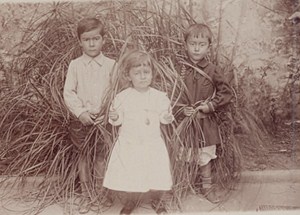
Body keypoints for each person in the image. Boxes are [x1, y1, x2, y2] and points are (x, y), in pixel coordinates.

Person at [103, 49, 174, 215]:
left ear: (152, 74)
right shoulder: (122, 97)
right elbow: (117, 120)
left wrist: (167, 116)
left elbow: (164, 117)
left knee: (155, 170)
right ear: (128, 76)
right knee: (131, 171)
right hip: (130, 143)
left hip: (151, 142)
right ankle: (131, 200)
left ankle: (157, 199)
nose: (143, 77)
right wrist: (114, 116)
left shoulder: (158, 96)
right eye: (137, 73)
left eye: (146, 72)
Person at [63, 17, 116, 213]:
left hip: (103, 120)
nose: (92, 43)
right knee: (83, 155)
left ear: (103, 39)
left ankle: (100, 192)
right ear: (80, 41)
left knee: (101, 155)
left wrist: (108, 113)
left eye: (96, 38)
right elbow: (69, 92)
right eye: (87, 39)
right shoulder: (75, 65)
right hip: (82, 121)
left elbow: (116, 92)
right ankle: (86, 194)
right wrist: (81, 112)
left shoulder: (112, 65)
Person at [176, 23, 233, 203]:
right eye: (193, 43)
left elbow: (226, 93)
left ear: (208, 47)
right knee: (184, 154)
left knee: (205, 155)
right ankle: (185, 185)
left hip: (205, 121)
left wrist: (209, 106)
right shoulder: (179, 68)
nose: (197, 48)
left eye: (202, 44)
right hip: (186, 123)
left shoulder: (212, 69)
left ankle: (207, 188)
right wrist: (180, 109)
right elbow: (172, 94)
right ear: (186, 44)